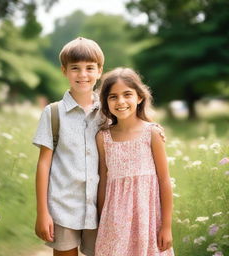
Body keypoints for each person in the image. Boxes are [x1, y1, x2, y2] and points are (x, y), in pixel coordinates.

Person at [32, 37, 104, 256]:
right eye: (75, 68)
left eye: (89, 68)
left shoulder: (108, 112)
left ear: (99, 71)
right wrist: (42, 212)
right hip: (63, 207)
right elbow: (44, 164)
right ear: (64, 71)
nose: (83, 74)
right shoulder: (53, 113)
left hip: (101, 207)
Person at [95, 67, 174, 256]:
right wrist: (100, 222)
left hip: (148, 221)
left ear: (139, 97)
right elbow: (103, 183)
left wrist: (166, 226)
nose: (120, 101)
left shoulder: (152, 133)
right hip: (114, 222)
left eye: (127, 94)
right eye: (113, 96)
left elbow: (164, 181)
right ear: (106, 101)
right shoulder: (103, 138)